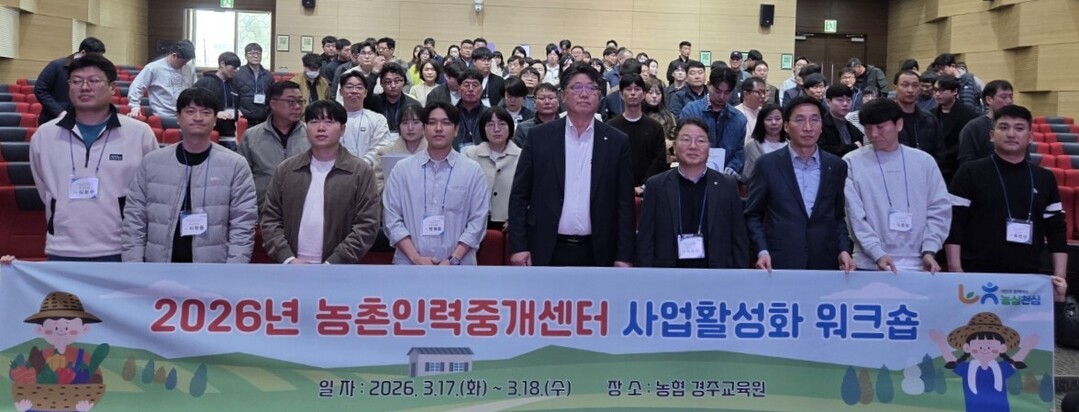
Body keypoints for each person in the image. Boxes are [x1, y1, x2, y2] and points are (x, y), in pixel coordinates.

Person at [30, 53, 158, 261]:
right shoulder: (44, 135)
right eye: (76, 81)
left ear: (112, 88)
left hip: (121, 248)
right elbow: (44, 186)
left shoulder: (139, 133)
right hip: (62, 248)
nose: (84, 87)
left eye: (94, 81)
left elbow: (150, 190)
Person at [508, 62, 635, 267]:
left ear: (599, 96)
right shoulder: (539, 137)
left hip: (599, 250)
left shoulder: (616, 141)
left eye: (591, 88)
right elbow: (519, 196)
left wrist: (624, 255)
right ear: (563, 96)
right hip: (546, 247)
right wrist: (518, 246)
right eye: (576, 87)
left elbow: (625, 204)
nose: (584, 94)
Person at [121, 88, 257, 263]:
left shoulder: (235, 164)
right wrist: (133, 264)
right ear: (178, 117)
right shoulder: (152, 162)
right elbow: (134, 218)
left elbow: (243, 223)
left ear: (215, 119)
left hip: (213, 267)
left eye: (206, 112)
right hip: (158, 266)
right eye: (190, 111)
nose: (198, 118)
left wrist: (234, 269)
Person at [945, 105, 1067, 276]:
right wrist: (955, 268)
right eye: (1003, 127)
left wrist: (1060, 275)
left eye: (1019, 128)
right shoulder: (969, 172)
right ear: (992, 135)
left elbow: (1056, 230)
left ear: (1030, 137)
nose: (1011, 134)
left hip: (1029, 275)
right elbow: (954, 222)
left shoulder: (1044, 177)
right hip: (976, 272)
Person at [260, 100, 381, 264]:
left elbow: (367, 225)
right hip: (291, 266)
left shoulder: (361, 172)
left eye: (329, 122)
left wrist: (334, 262)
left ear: (343, 129)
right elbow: (270, 219)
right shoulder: (286, 170)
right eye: (314, 121)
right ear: (306, 127)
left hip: (339, 268)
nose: (321, 128)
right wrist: (287, 258)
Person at [745, 96, 854, 271]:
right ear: (786, 126)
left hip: (825, 259)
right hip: (779, 259)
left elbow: (838, 216)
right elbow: (753, 215)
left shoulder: (836, 166)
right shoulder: (767, 165)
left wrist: (844, 249)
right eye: (800, 120)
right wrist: (761, 250)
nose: (808, 127)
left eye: (814, 120)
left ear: (821, 125)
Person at [844, 98, 951, 272]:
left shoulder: (924, 161)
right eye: (868, 128)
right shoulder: (851, 162)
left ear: (899, 124)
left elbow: (939, 209)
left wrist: (929, 249)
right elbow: (853, 216)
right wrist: (876, 253)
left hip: (918, 261)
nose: (874, 134)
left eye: (880, 127)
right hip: (868, 263)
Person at [383, 102, 490, 265]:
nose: (438, 128)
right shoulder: (402, 169)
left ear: (456, 130)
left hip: (458, 267)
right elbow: (391, 218)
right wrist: (416, 258)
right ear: (424, 128)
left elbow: (478, 221)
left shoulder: (472, 171)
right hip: (409, 265)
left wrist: (453, 259)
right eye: (432, 123)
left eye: (446, 123)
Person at [636, 118, 748, 268]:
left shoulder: (727, 185)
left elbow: (739, 238)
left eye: (700, 141)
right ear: (674, 146)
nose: (693, 146)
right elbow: (646, 240)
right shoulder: (656, 185)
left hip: (716, 274)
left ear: (709, 147)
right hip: (668, 273)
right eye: (686, 140)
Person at [928, 313, 1037, 412]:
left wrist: (1027, 347)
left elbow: (1015, 362)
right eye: (979, 345)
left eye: (990, 345)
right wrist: (941, 344)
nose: (985, 349)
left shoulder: (1001, 368)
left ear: (1002, 348)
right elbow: (951, 361)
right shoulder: (967, 369)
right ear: (967, 348)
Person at [237, 81, 309, 209]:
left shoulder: (310, 134)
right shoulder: (252, 136)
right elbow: (241, 178)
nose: (298, 107)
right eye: (291, 101)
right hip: (264, 209)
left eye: (300, 101)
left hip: (304, 209)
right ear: (273, 104)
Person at [680, 67, 748, 177]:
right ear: (708, 85)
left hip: (725, 178)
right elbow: (682, 146)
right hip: (693, 174)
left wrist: (733, 167)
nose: (721, 97)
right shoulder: (690, 111)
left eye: (727, 93)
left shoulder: (739, 119)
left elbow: (739, 152)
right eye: (717, 91)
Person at [606, 74, 667, 193]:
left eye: (637, 89)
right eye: (628, 89)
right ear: (621, 94)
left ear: (643, 94)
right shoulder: (610, 127)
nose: (633, 93)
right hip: (617, 189)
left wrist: (644, 185)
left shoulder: (655, 127)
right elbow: (608, 161)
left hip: (649, 190)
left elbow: (659, 160)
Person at [465, 107, 521, 230]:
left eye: (502, 124)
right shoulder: (470, 155)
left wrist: (517, 217)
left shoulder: (521, 156)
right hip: (475, 222)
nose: (496, 129)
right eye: (490, 125)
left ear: (511, 127)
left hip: (510, 222)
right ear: (483, 129)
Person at [34, 37, 106, 125]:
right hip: (52, 119)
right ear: (83, 53)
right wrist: (59, 111)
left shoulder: (93, 71)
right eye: (95, 58)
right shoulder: (57, 65)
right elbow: (40, 89)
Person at [126, 39, 196, 118]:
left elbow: (195, 89)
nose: (184, 65)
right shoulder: (153, 68)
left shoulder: (189, 68)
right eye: (183, 62)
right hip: (163, 116)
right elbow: (136, 87)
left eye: (187, 62)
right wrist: (135, 107)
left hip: (185, 114)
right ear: (174, 56)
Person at [933, 75, 981, 184]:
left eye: (942, 90)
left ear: (954, 91)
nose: (937, 94)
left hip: (956, 168)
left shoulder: (969, 115)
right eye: (935, 90)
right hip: (935, 167)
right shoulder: (930, 114)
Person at [337, 71, 391, 166]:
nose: (354, 91)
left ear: (365, 93)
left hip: (369, 170)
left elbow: (382, 146)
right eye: (349, 87)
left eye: (359, 87)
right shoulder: (331, 119)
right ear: (341, 92)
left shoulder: (377, 119)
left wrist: (362, 165)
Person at [193, 51, 242, 150]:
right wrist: (215, 114)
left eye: (237, 68)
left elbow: (236, 109)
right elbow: (194, 106)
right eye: (233, 67)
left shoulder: (235, 85)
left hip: (229, 135)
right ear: (222, 64)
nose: (236, 71)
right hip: (207, 133)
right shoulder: (204, 82)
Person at [958, 80, 1014, 164]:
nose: (1009, 101)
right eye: (1004, 97)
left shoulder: (1016, 126)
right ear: (989, 100)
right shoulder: (973, 128)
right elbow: (966, 161)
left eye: (1011, 97)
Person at [374, 104, 427, 192]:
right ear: (399, 126)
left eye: (416, 122)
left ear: (425, 125)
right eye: (405, 123)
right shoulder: (385, 152)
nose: (410, 128)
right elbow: (377, 184)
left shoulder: (436, 152)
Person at [368, 63, 421, 135]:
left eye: (397, 81)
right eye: (388, 82)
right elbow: (364, 94)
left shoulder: (413, 104)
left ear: (404, 82)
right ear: (381, 83)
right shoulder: (373, 101)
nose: (393, 85)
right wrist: (374, 73)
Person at [740, 103, 787, 183]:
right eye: (769, 119)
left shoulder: (791, 146)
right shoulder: (752, 146)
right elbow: (746, 177)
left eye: (777, 119)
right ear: (761, 122)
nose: (774, 122)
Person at [233, 43, 275, 126]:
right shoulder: (238, 73)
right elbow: (233, 94)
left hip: (264, 118)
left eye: (258, 53)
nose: (256, 56)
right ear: (245, 56)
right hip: (244, 117)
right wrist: (236, 110)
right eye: (252, 53)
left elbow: (272, 96)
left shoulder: (268, 75)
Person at [819, 84, 864, 158]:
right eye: (840, 100)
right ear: (828, 102)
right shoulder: (821, 126)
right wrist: (853, 147)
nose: (845, 104)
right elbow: (821, 150)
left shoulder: (853, 128)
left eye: (848, 100)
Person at [511, 83, 559, 147]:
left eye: (551, 98)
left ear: (558, 102)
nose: (547, 102)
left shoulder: (566, 126)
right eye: (542, 98)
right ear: (534, 103)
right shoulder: (523, 128)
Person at [453, 69, 489, 150]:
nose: (471, 89)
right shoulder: (450, 114)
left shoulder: (489, 114)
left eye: (475, 85)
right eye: (466, 85)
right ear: (459, 89)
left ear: (481, 89)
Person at [734, 77, 768, 142]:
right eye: (759, 92)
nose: (763, 96)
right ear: (746, 94)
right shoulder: (735, 113)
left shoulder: (764, 113)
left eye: (764, 92)